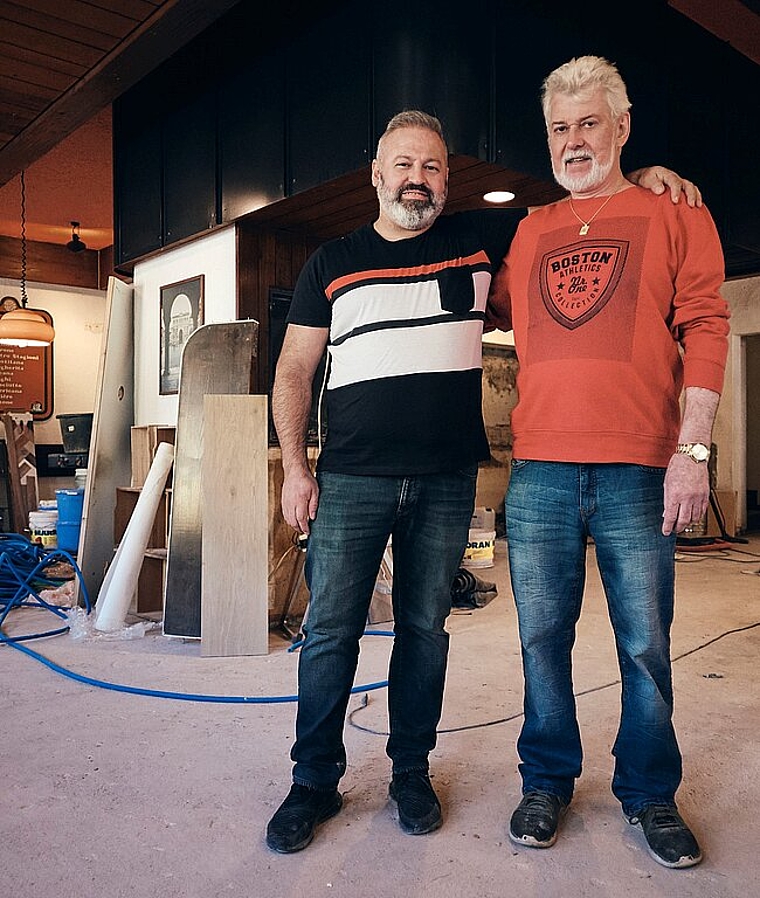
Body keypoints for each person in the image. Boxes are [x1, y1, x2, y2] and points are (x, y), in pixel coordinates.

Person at [266, 108, 700, 855]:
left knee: (425, 633)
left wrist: (649, 178)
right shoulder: (329, 261)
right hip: (351, 480)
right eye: (403, 165)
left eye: (433, 168)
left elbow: (583, 203)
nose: (418, 180)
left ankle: (409, 771)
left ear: (447, 180)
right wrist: (295, 467)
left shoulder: (481, 239)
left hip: (444, 481)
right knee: (331, 632)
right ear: (376, 174)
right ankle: (312, 780)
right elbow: (294, 371)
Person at [487, 56, 730, 869]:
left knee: (644, 644)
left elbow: (705, 326)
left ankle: (650, 794)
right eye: (559, 128)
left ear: (622, 128)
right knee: (540, 640)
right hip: (540, 471)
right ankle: (548, 778)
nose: (573, 141)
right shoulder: (529, 233)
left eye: (589, 123)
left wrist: (691, 450)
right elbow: (475, 300)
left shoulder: (674, 212)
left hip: (638, 469)